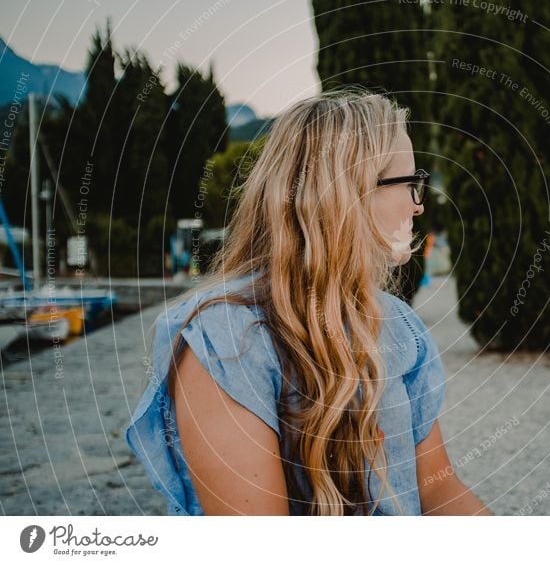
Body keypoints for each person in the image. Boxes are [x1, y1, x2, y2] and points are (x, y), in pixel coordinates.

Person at [126, 88, 492, 516]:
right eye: (410, 183)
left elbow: (438, 491)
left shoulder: (397, 324)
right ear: (348, 194)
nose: (419, 204)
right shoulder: (225, 341)